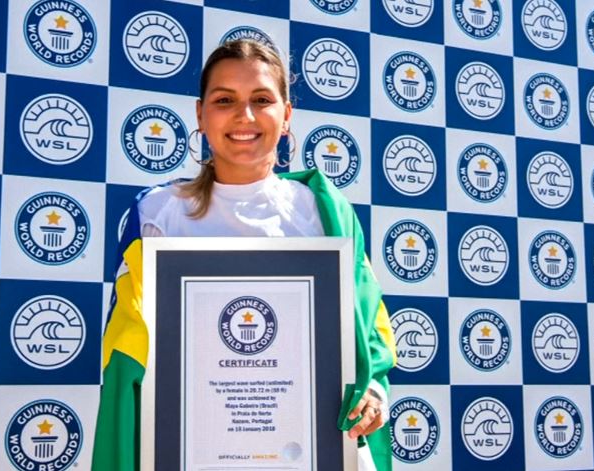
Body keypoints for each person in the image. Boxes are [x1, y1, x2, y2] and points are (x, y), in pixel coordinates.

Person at [93, 39, 397, 471]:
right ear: (200, 113)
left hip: (311, 449)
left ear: (286, 113)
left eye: (261, 99)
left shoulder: (325, 211)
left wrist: (374, 393)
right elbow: (127, 354)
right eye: (224, 100)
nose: (245, 116)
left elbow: (370, 329)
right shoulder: (159, 215)